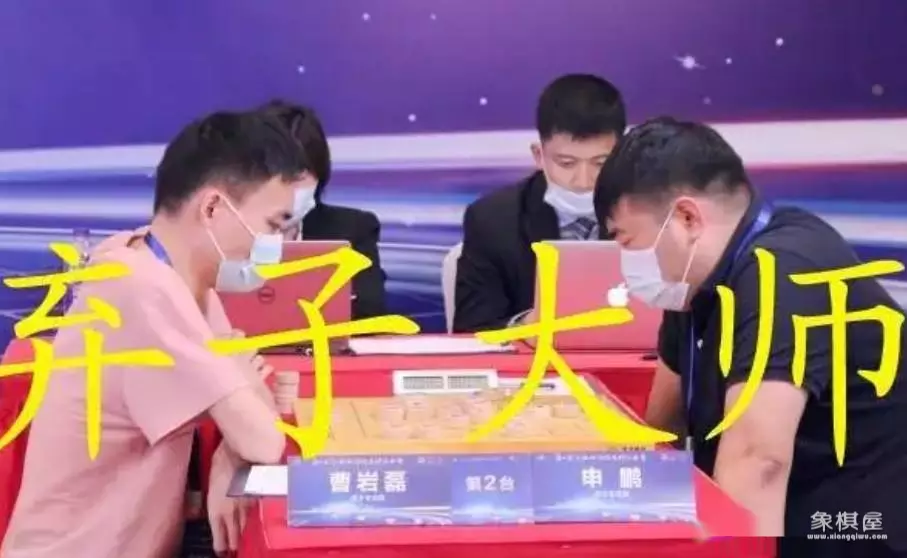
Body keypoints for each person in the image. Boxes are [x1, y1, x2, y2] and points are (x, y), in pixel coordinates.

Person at [594, 116, 907, 556]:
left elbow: (758, 462)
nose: (625, 261)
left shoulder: (783, 271)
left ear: (686, 217)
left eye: (626, 240)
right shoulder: (693, 283)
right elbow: (662, 425)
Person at [1, 110, 306, 558]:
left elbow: (253, 410)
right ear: (213, 209)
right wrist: (238, 425)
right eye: (274, 227)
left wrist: (228, 452)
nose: (279, 245)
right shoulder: (142, 289)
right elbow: (262, 438)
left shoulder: (171, 271)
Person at [453, 73, 626, 333]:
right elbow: (473, 328)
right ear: (539, 155)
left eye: (600, 163)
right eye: (566, 163)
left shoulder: (653, 213)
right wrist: (528, 325)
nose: (583, 180)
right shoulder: (493, 220)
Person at [260, 99, 387, 320]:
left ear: (319, 174)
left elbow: (371, 312)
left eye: (298, 176)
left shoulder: (353, 229)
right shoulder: (225, 229)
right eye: (272, 175)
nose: (285, 189)